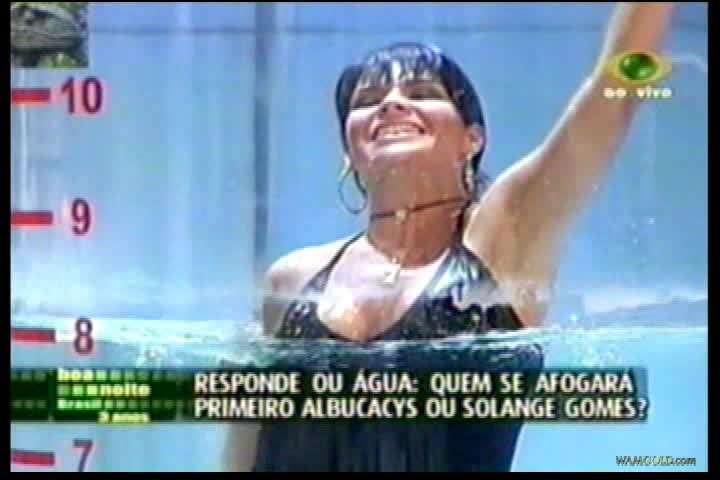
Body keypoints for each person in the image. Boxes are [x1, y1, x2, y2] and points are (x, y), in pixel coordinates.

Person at [226, 3, 675, 472]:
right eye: (367, 100)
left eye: (422, 92)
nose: (391, 104)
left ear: (472, 139)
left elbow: (614, 92)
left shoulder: (504, 242)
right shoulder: (291, 279)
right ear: (348, 154)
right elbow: (243, 448)